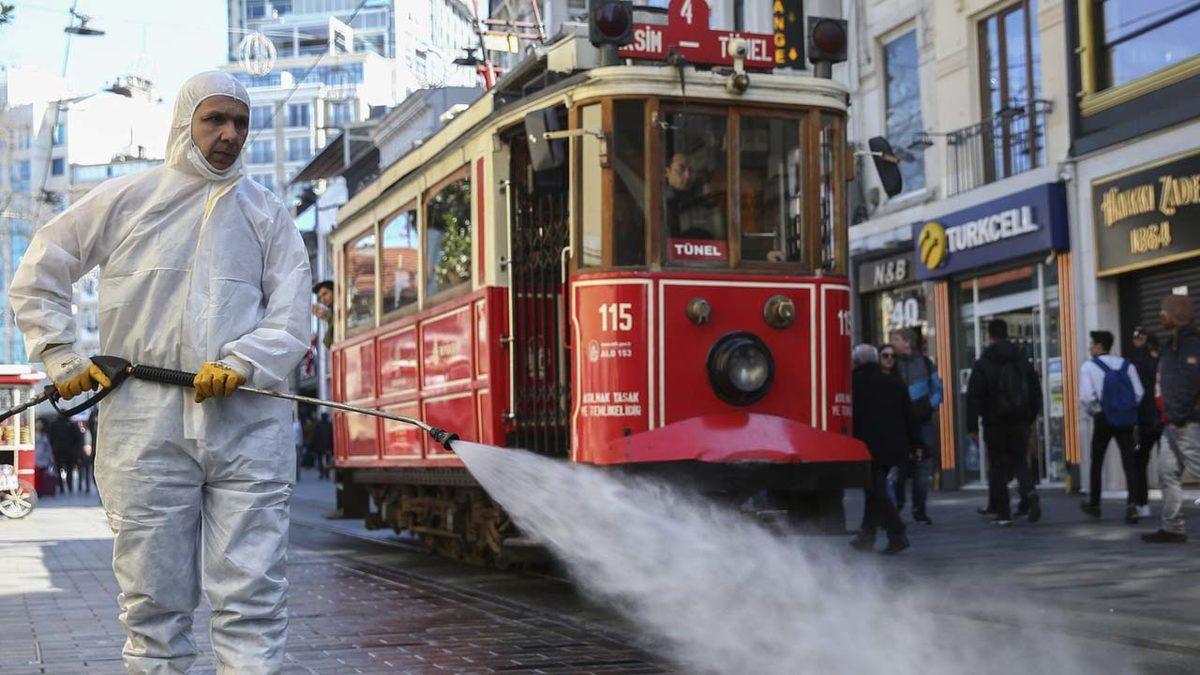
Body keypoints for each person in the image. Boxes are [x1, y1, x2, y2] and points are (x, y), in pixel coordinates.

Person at [9, 71, 311, 671]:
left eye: (240, 122)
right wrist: (61, 354)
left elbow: (292, 311)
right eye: (215, 119)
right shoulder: (128, 199)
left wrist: (244, 361)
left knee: (253, 595)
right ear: (183, 122)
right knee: (153, 603)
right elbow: (42, 268)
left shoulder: (266, 214)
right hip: (145, 427)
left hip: (248, 424)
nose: (229, 134)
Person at [966, 319, 1043, 526]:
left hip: (994, 422)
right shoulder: (1021, 360)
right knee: (1020, 461)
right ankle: (1029, 492)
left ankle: (1003, 513)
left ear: (989, 336)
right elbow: (1035, 391)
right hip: (1020, 421)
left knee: (997, 465)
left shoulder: (983, 363)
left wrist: (972, 426)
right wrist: (1030, 416)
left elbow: (974, 396)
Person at [849, 344, 920, 555]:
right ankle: (867, 534)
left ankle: (897, 532)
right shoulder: (895, 383)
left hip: (866, 445)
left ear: (857, 362)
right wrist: (917, 443)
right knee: (874, 489)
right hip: (893, 446)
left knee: (875, 490)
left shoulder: (852, 383)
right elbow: (910, 415)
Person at [1142, 295, 1200, 543]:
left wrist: (1179, 414)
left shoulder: (1192, 345)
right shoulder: (1171, 345)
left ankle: (1172, 526)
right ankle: (1172, 527)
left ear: (1177, 314)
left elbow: (1191, 381)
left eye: (1164, 311)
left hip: (1187, 421)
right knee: (1167, 471)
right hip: (1172, 421)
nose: (1160, 315)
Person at [1079, 330, 1143, 522]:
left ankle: (1095, 504)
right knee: (1129, 462)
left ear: (1099, 346)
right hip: (1125, 419)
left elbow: (1086, 397)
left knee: (1097, 461)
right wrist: (1126, 409)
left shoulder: (1089, 367)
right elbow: (1139, 393)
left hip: (1103, 418)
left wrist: (1096, 411)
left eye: (1092, 344)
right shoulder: (1127, 365)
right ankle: (1132, 504)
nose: (1090, 347)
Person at [888, 328, 942, 525]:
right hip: (899, 423)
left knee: (922, 467)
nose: (892, 343)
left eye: (896, 339)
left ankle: (920, 510)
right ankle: (898, 504)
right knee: (899, 466)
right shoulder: (891, 363)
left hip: (922, 423)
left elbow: (938, 390)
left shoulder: (926, 364)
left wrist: (929, 407)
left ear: (907, 342)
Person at [1126, 327, 1162, 519]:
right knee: (1171, 462)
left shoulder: (1134, 363)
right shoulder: (1162, 362)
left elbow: (1135, 393)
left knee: (1139, 461)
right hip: (1164, 417)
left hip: (1143, 419)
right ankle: (1171, 502)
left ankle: (1142, 503)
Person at [663, 152, 720, 240]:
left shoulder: (704, 202)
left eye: (691, 170)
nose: (687, 175)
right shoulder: (661, 205)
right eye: (680, 169)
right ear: (667, 172)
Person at [47, 413, 82, 495]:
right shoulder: (72, 425)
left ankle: (62, 487)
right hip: (70, 451)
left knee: (59, 470)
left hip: (58, 450)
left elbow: (50, 437)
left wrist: (53, 447)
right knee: (69, 470)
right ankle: (69, 486)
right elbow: (78, 438)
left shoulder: (54, 425)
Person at [33, 418, 55, 498]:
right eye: (37, 424)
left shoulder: (44, 435)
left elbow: (48, 448)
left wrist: (51, 458)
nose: (39, 425)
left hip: (43, 458)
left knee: (41, 476)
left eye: (40, 424)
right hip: (34, 457)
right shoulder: (32, 435)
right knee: (36, 475)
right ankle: (35, 490)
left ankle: (40, 491)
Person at [312, 280, 335, 350]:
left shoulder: (338, 311)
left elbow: (327, 342)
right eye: (320, 298)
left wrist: (328, 316)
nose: (323, 300)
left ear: (334, 290)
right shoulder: (331, 314)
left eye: (325, 294)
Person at [314, 412, 334, 480]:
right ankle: (327, 473)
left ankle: (322, 473)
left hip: (320, 447)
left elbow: (315, 437)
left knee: (320, 460)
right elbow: (332, 436)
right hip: (328, 446)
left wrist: (314, 446)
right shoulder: (329, 425)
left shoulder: (318, 425)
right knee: (328, 460)